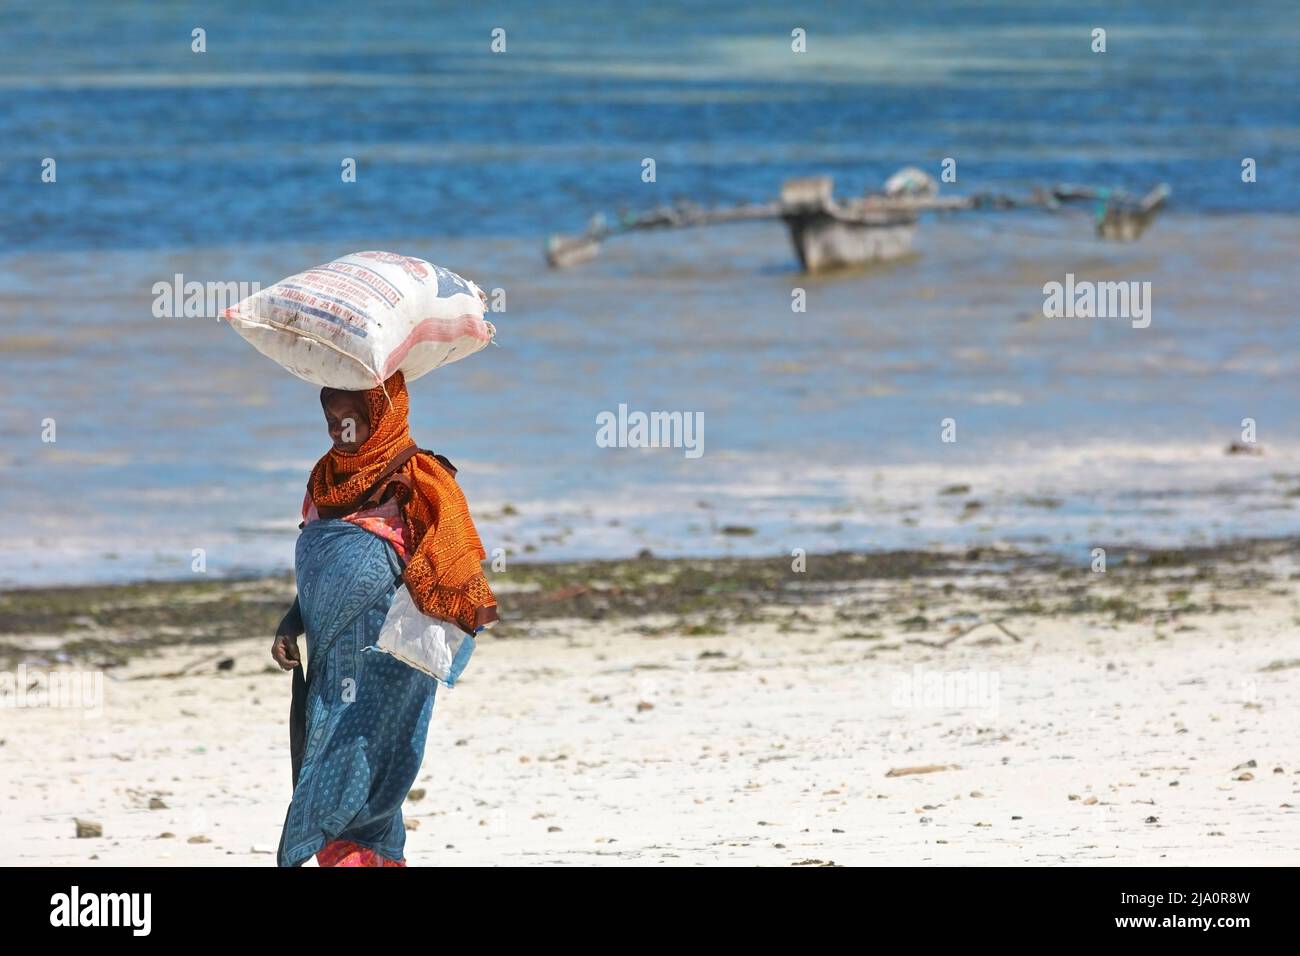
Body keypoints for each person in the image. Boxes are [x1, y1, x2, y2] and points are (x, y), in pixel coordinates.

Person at [270, 371, 497, 867]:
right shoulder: (323, 479)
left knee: (373, 754)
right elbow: (318, 568)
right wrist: (292, 622)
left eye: (349, 417)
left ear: (381, 413)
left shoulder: (416, 477)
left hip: (387, 649)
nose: (338, 429)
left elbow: (446, 559)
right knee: (327, 746)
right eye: (330, 418)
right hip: (331, 646)